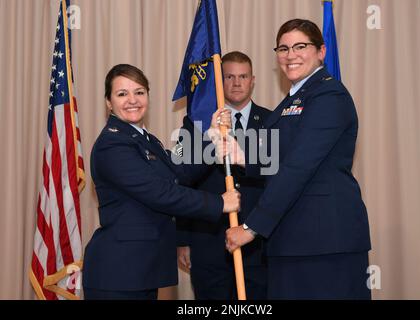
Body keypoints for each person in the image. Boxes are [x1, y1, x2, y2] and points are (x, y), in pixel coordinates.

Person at [223, 19, 372, 299]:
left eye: (300, 46)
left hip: (324, 240)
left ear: (321, 51)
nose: (290, 55)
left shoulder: (329, 95)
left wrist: (251, 227)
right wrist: (238, 154)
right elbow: (277, 156)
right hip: (291, 239)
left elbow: (298, 166)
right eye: (283, 48)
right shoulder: (291, 101)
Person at [82, 64, 240, 300]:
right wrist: (219, 203)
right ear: (108, 101)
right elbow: (161, 193)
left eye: (139, 92)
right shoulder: (112, 145)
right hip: (119, 273)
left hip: (142, 270)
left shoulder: (145, 139)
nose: (132, 100)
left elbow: (179, 173)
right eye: (122, 94)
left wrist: (213, 138)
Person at [176, 52, 271, 299]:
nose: (236, 83)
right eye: (229, 76)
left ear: (253, 80)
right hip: (208, 242)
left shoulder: (272, 122)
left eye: (243, 76)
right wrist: (183, 239)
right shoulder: (195, 124)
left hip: (257, 243)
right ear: (219, 81)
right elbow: (185, 182)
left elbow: (278, 180)